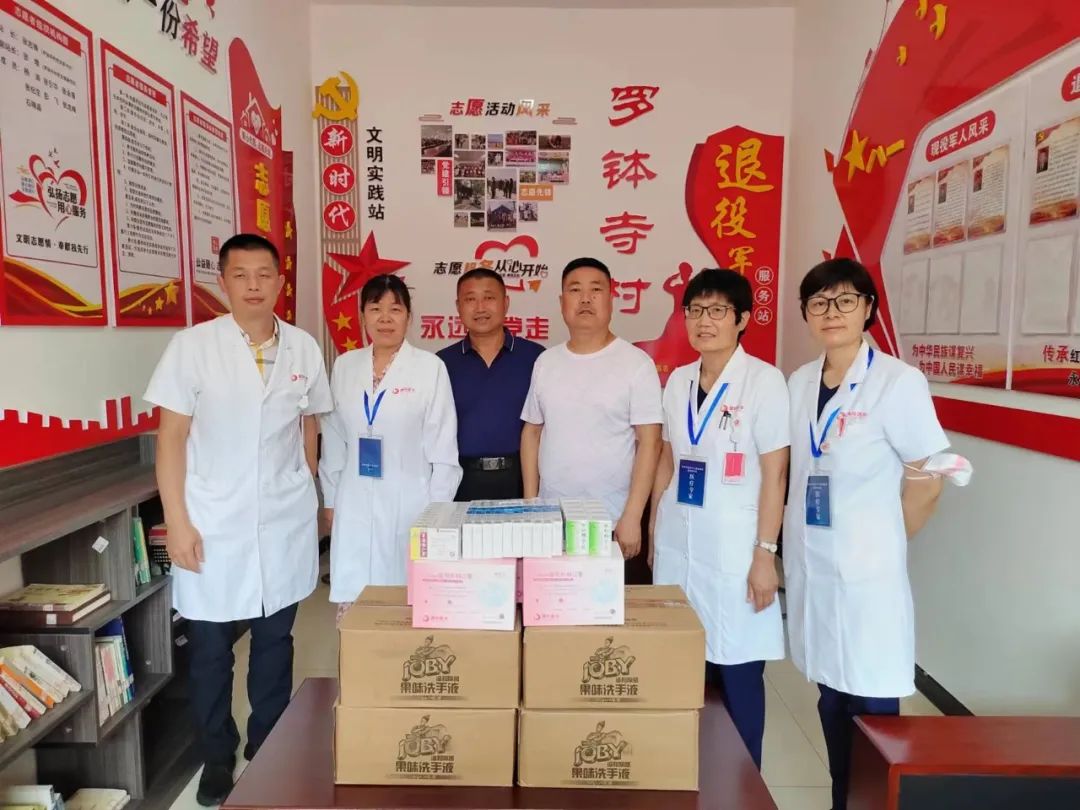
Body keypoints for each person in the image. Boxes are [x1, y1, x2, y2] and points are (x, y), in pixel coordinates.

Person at [144, 233, 332, 806]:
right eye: (241, 275)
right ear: (223, 282)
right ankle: (216, 758)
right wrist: (177, 522)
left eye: (264, 274)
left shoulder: (302, 347)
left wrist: (307, 484)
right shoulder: (193, 346)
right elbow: (170, 438)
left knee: (276, 642)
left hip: (283, 518)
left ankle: (268, 745)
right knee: (210, 650)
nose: (253, 285)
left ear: (280, 282)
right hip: (213, 522)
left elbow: (309, 422)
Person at [784, 258, 948, 810]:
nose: (831, 312)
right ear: (806, 312)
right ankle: (841, 800)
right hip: (815, 563)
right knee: (830, 697)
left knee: (873, 711)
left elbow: (927, 481)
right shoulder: (801, 381)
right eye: (819, 302)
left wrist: (883, 546)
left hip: (867, 574)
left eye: (845, 300)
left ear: (869, 309)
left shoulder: (897, 382)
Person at [648, 268, 788, 770]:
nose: (704, 321)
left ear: (742, 319)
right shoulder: (679, 380)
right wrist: (654, 526)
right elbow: (667, 458)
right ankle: (692, 775)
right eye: (695, 311)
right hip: (680, 541)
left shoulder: (764, 381)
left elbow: (775, 473)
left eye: (717, 311)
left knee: (738, 670)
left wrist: (765, 555)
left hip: (735, 549)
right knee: (687, 668)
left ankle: (743, 785)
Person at [320, 274, 462, 621]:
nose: (385, 318)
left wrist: (436, 512)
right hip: (354, 499)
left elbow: (444, 450)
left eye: (395, 309)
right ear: (362, 316)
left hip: (412, 501)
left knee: (407, 598)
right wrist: (332, 499)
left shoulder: (430, 368)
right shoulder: (345, 365)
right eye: (375, 308)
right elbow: (334, 437)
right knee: (355, 603)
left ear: (409, 317)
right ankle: (358, 655)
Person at [521, 257, 662, 559]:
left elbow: (650, 443)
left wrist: (632, 515)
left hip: (612, 520)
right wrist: (532, 505)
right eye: (575, 290)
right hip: (552, 519)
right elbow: (532, 433)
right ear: (562, 302)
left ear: (611, 299)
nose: (585, 298)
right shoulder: (546, 362)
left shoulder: (636, 364)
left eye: (595, 290)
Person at [437, 268, 544, 500]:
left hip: (521, 480)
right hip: (461, 482)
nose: (480, 308)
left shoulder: (536, 358)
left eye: (489, 297)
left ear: (506, 303)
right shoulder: (441, 363)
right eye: (470, 299)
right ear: (458, 307)